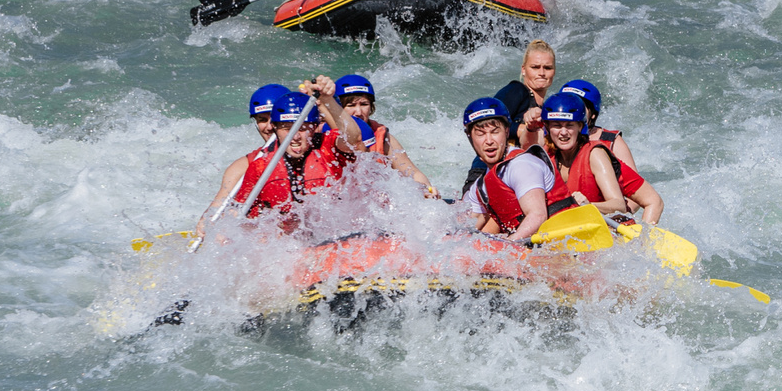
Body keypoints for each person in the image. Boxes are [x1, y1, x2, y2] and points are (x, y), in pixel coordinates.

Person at [196, 84, 313, 234]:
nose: (270, 127)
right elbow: (216, 209)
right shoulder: (243, 166)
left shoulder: (319, 151)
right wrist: (208, 223)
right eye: (262, 120)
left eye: (274, 118)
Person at [304, 73, 438, 198]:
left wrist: (427, 189)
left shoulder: (382, 136)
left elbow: (412, 173)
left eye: (364, 104)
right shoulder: (322, 133)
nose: (358, 112)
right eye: (350, 105)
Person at [535, 91, 662, 222]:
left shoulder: (595, 154)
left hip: (607, 233)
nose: (563, 132)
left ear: (580, 127)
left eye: (570, 125)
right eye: (556, 125)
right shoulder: (544, 157)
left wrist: (588, 206)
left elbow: (620, 205)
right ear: (547, 127)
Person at [457, 96, 558, 242]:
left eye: (495, 132)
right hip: (528, 248)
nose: (489, 141)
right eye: (480, 134)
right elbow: (465, 227)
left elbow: (537, 215)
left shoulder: (521, 164)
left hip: (561, 242)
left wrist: (508, 245)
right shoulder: (480, 186)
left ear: (506, 131)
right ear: (470, 138)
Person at [557, 78, 636, 170]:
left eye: (580, 105)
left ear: (593, 114)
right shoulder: (552, 136)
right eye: (568, 104)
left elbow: (634, 182)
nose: (573, 110)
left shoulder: (612, 142)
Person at [491, 40, 556, 148]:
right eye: (535, 67)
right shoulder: (516, 90)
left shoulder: (546, 108)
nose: (541, 73)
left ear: (554, 71)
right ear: (524, 70)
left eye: (548, 68)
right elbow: (489, 121)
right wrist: (522, 129)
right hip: (489, 163)